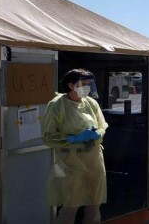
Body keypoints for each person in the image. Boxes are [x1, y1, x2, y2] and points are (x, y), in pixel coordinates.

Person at [41, 69, 108, 224]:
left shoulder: (91, 103)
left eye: (89, 84)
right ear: (71, 85)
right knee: (70, 207)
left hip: (93, 161)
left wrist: (97, 133)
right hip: (70, 163)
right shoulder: (58, 105)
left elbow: (102, 125)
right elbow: (48, 136)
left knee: (94, 205)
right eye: (83, 84)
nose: (87, 88)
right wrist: (73, 139)